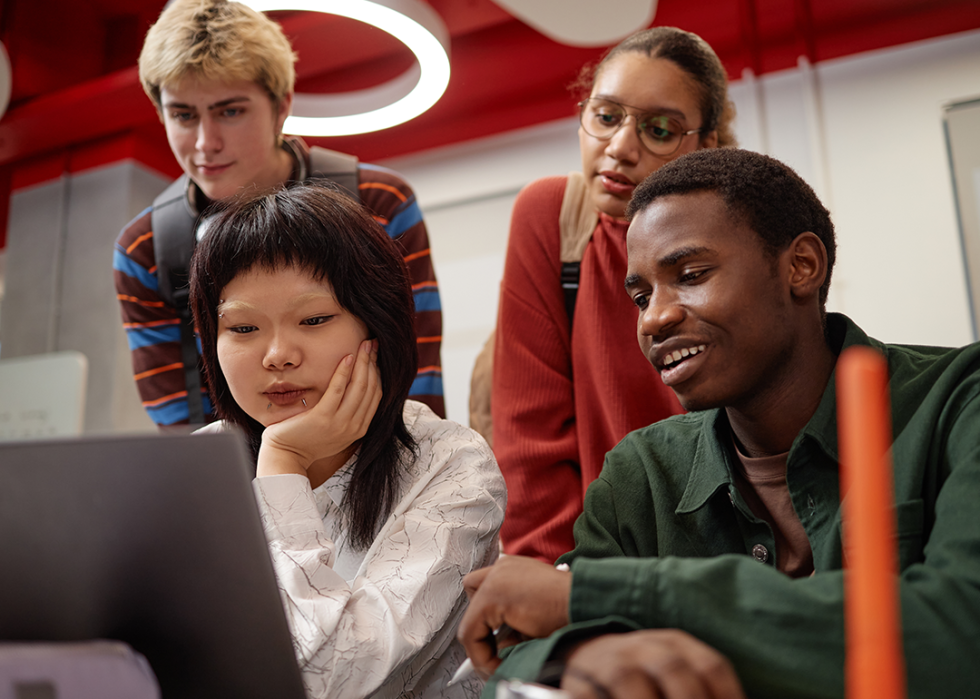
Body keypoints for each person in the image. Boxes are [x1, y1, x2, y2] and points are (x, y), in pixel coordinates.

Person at [459, 148, 980, 698]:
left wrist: (616, 595)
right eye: (641, 297)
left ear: (802, 266)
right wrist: (579, 655)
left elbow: (960, 633)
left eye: (690, 275)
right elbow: (520, 652)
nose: (655, 318)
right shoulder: (641, 474)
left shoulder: (958, 403)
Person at [189, 182, 506, 698]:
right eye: (243, 328)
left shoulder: (452, 465)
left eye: (314, 320)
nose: (277, 355)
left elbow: (329, 680)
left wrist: (283, 462)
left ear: (377, 325)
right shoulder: (195, 467)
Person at [114, 0, 444, 428]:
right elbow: (181, 426)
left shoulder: (377, 202)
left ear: (281, 106)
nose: (206, 142)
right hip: (235, 467)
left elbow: (416, 378)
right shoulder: (146, 248)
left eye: (230, 111)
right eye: (183, 115)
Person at [492, 26, 736, 562]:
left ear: (706, 143)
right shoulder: (552, 218)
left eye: (659, 129)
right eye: (606, 117)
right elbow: (529, 440)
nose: (620, 148)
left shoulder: (741, 235)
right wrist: (558, 582)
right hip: (595, 558)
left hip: (725, 559)